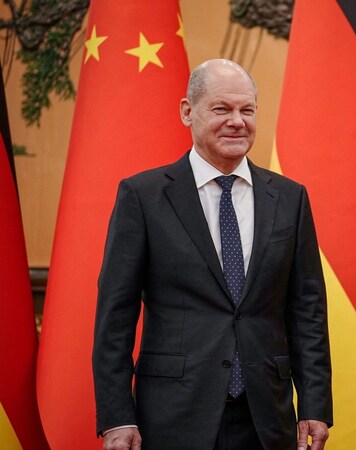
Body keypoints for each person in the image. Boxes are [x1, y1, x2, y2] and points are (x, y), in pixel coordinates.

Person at [93, 59, 332, 450]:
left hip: (266, 419)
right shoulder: (144, 196)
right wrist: (117, 416)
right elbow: (115, 316)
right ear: (188, 111)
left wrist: (315, 404)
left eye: (247, 110)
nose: (237, 121)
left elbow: (307, 310)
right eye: (222, 109)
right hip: (173, 416)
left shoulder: (290, 198)